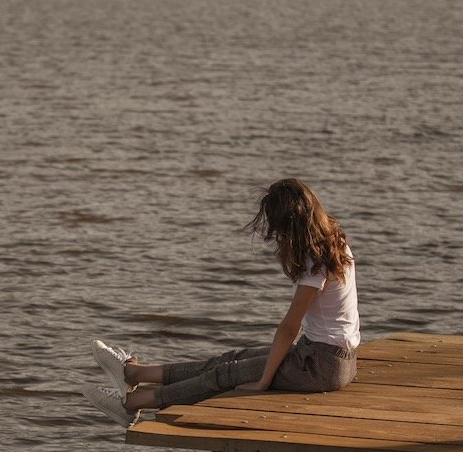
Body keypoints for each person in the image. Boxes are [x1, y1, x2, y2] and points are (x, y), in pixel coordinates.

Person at [82, 177, 360, 427]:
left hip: (320, 366)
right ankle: (133, 373)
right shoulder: (334, 242)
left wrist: (263, 381)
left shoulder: (315, 263)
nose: (278, 237)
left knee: (224, 376)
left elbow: (289, 327)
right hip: (325, 357)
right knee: (231, 361)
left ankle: (132, 404)